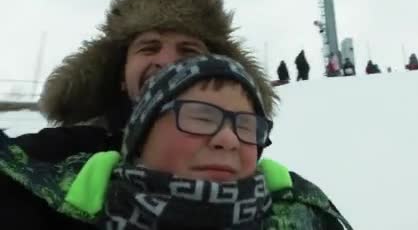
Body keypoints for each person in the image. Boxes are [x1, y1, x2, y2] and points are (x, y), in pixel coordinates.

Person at [0, 0, 277, 226]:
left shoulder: (266, 183)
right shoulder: (50, 158)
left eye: (189, 50)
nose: (167, 61)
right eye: (149, 47)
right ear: (121, 75)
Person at [0, 55, 353, 229]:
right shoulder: (36, 205)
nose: (229, 139)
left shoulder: (309, 216)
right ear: (140, 138)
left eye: (247, 126)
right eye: (200, 117)